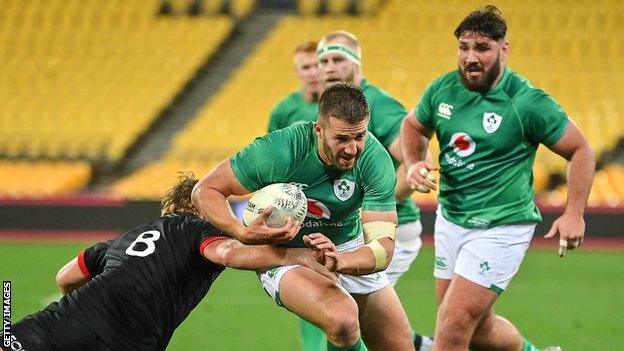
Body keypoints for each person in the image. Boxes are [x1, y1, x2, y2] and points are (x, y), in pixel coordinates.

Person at [400, 5, 595, 351]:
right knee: (475, 328)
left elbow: (579, 150)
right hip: (451, 218)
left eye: (482, 48)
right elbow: (414, 124)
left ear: (503, 49)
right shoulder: (443, 89)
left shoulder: (527, 102)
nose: (470, 58)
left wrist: (574, 212)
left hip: (502, 226)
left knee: (453, 325)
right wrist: (415, 161)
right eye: (464, 47)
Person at [192, 83, 415, 351]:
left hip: (344, 247)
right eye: (342, 139)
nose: (352, 148)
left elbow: (383, 251)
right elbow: (206, 190)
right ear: (318, 130)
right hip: (284, 253)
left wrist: (338, 260)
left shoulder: (374, 159)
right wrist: (240, 232)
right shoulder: (280, 151)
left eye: (359, 136)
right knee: (342, 319)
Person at [6, 172, 334, 351]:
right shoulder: (199, 228)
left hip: (55, 326)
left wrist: (83, 318)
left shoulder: (124, 238)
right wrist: (300, 255)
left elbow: (66, 277)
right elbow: (228, 254)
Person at [315, 30, 433, 351]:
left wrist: (376, 202)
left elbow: (419, 159)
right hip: (352, 231)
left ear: (358, 62)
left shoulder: (376, 103)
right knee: (354, 316)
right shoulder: (329, 109)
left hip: (387, 229)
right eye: (323, 61)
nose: (328, 67)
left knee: (344, 312)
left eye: (338, 59)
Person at [267, 41, 322, 132]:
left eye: (317, 65)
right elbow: (273, 145)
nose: (313, 73)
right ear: (296, 71)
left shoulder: (342, 104)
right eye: (306, 67)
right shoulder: (282, 111)